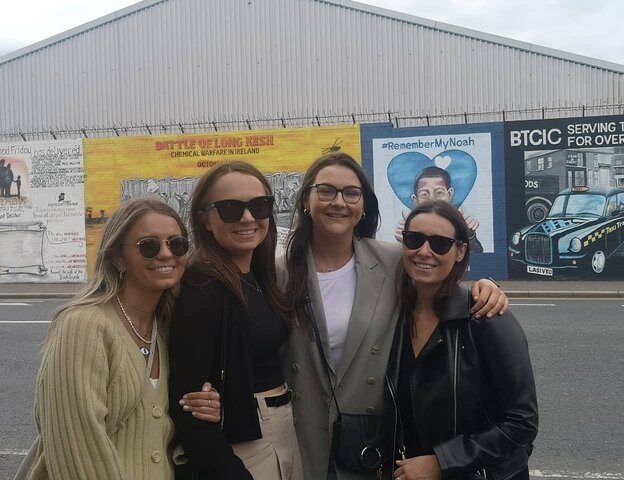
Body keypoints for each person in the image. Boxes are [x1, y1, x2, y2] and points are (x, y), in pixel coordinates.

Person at [279, 152, 509, 480]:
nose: (338, 202)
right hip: (299, 436)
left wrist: (484, 288)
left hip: (367, 442)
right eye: (326, 190)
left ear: (363, 206)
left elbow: (437, 281)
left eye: (351, 193)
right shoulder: (278, 272)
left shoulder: (391, 261)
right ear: (306, 199)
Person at [15, 197, 221, 480]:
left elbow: (157, 431)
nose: (166, 254)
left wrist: (203, 408)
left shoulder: (166, 327)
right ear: (117, 258)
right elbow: (78, 448)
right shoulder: (84, 324)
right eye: (149, 245)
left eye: (177, 244)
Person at [169, 161, 302, 479]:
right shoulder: (202, 286)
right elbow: (190, 404)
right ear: (205, 218)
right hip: (245, 440)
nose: (248, 218)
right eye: (230, 208)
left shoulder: (257, 275)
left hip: (281, 427)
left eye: (260, 205)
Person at [387, 200, 538, 480]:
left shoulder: (486, 318)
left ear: (460, 252)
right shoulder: (390, 318)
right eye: (414, 239)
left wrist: (442, 463)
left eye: (440, 243)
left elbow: (522, 423)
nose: (424, 251)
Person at [394, 166, 483, 252]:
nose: (432, 199)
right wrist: (407, 241)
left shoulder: (458, 224)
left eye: (439, 193)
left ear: (449, 194)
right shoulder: (409, 228)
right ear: (415, 200)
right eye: (424, 194)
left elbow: (477, 256)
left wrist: (469, 235)